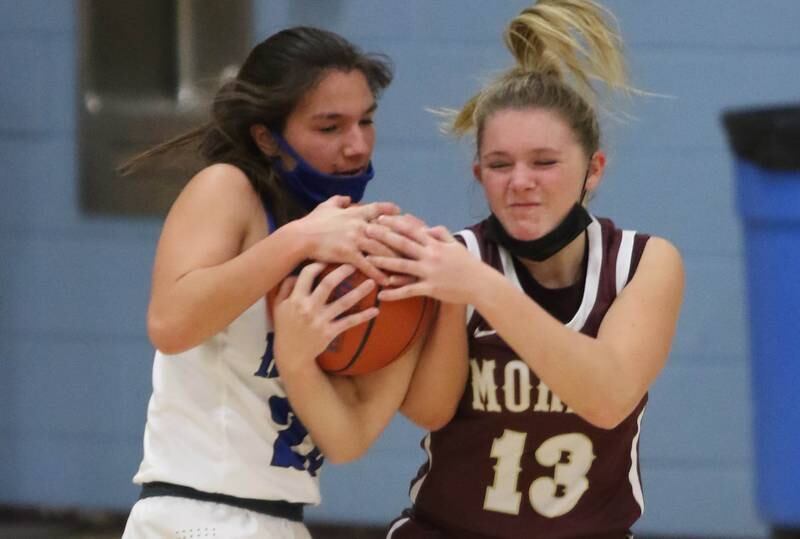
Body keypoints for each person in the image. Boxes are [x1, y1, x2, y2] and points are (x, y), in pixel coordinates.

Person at [364, 1, 685, 537]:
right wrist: (451, 293)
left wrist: (482, 289)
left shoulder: (645, 262)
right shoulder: (454, 263)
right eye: (499, 164)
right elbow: (430, 411)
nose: (520, 181)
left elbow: (607, 398)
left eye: (544, 162)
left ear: (593, 170)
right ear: (479, 173)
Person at [120, 26, 424, 539]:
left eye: (366, 121)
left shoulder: (362, 244)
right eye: (330, 127)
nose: (356, 145)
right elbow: (169, 323)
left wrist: (300, 357)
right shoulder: (227, 190)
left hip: (282, 520)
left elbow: (348, 442)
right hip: (195, 514)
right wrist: (297, 242)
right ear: (266, 136)